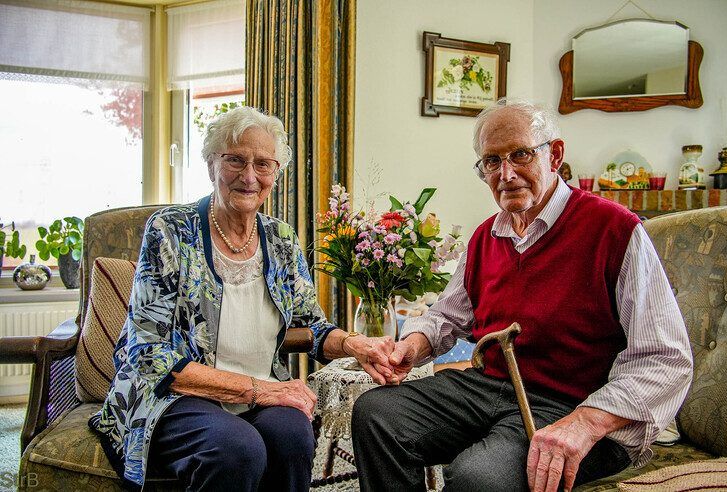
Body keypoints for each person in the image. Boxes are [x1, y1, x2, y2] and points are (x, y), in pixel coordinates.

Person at [351, 100, 693, 492]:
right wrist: (411, 346)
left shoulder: (615, 229)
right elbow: (446, 315)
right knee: (376, 414)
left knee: (478, 477)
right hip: (490, 385)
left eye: (521, 155)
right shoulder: (487, 236)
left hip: (575, 403)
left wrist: (585, 421)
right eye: (492, 162)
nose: (506, 174)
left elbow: (666, 359)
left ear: (555, 155)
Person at [89, 106, 395, 491]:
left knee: (293, 437)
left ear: (276, 175)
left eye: (264, 165)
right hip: (175, 396)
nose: (249, 176)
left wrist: (354, 344)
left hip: (260, 390)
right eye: (235, 160)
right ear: (211, 164)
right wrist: (260, 389)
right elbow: (148, 353)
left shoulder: (281, 239)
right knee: (237, 448)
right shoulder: (170, 231)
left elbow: (310, 327)